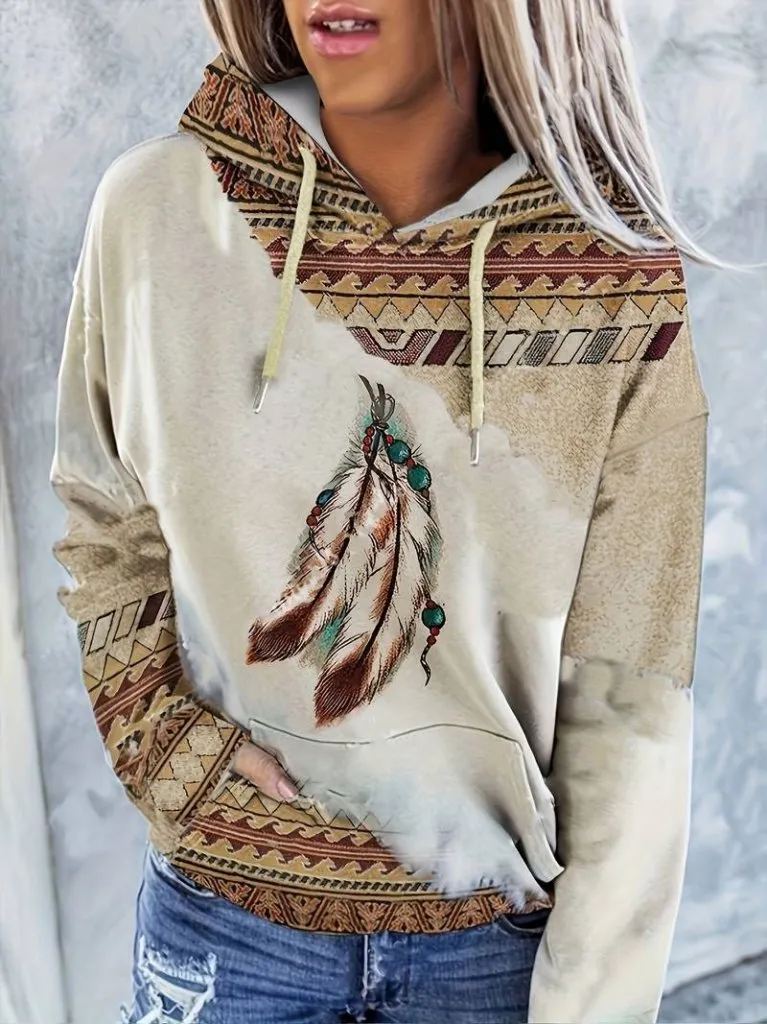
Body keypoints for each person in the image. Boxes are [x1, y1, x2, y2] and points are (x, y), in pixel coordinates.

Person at [51, 1, 710, 1021]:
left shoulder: (607, 276)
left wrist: (595, 1000)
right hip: (225, 930)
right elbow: (105, 520)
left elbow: (632, 690)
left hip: (491, 947)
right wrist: (164, 747)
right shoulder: (156, 211)